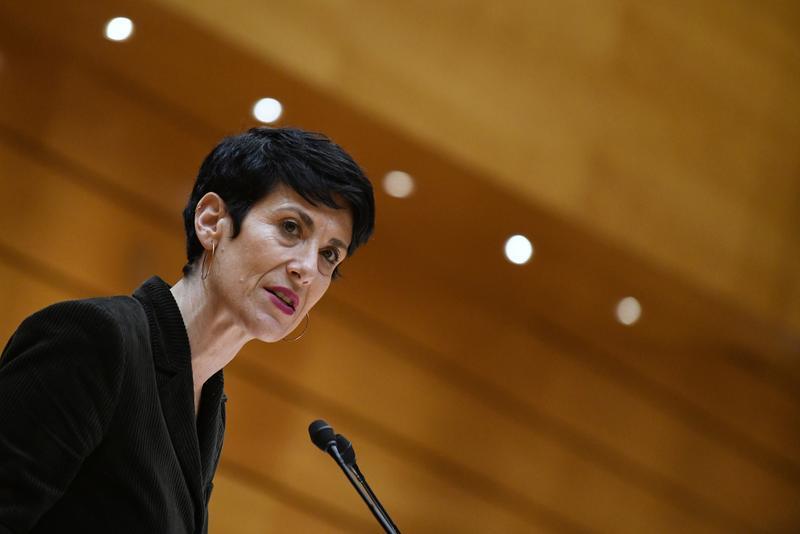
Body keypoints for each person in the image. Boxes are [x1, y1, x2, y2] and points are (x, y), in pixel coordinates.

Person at [0, 127, 375, 533]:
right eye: (290, 227)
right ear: (211, 221)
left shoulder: (208, 404)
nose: (307, 270)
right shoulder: (97, 339)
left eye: (329, 255)